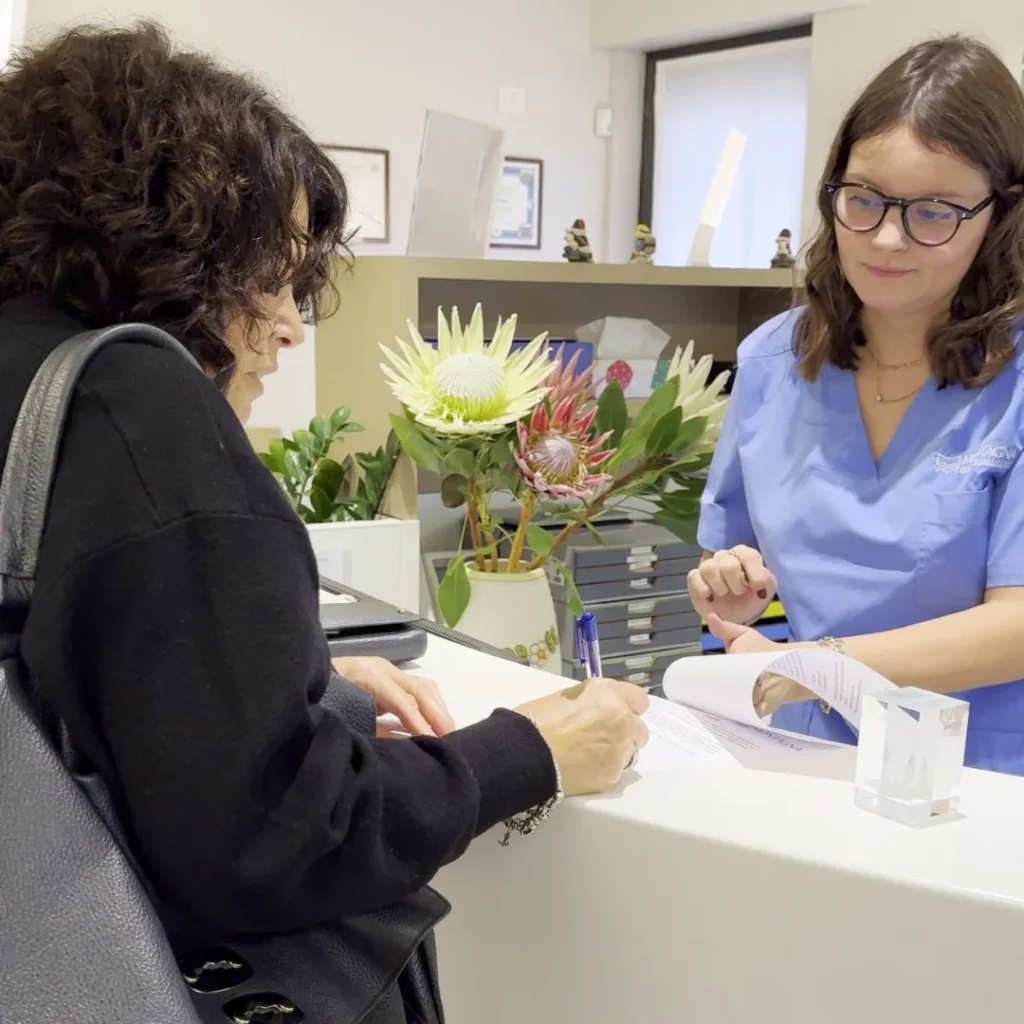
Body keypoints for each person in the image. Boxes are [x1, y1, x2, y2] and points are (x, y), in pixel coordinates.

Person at [0, 22, 649, 1017]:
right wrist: (529, 750)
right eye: (273, 273)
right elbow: (281, 835)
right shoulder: (138, 411)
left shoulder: (28, 384)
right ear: (179, 241)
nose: (289, 325)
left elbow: (81, 676)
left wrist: (273, 683)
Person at [687, 35, 1024, 775]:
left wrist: (814, 667)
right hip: (806, 752)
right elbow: (734, 568)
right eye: (863, 200)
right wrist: (733, 591)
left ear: (1001, 215)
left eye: (934, 212)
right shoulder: (773, 360)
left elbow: (1018, 626)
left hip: (982, 775)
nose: (888, 238)